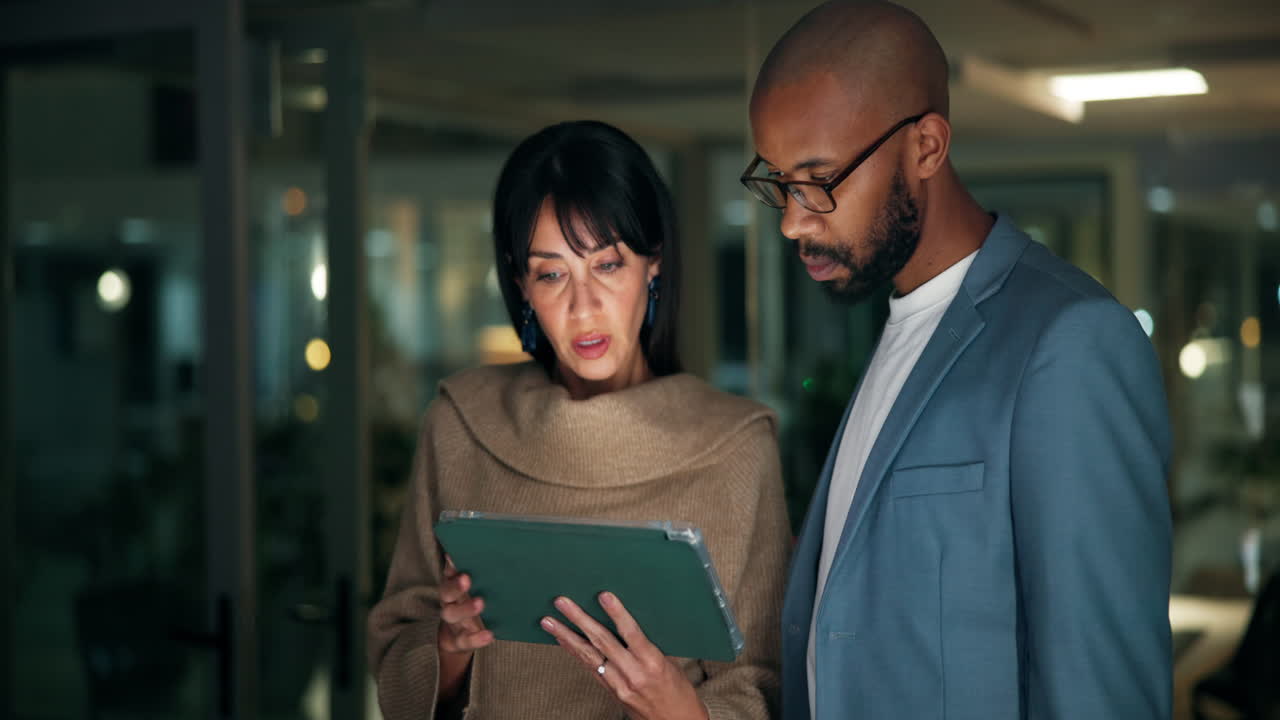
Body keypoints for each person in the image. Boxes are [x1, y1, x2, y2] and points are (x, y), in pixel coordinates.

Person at [741, 2, 1174, 719]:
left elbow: (1103, 693)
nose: (792, 218)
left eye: (819, 179)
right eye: (779, 182)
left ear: (928, 147)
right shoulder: (900, 327)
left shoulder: (1070, 342)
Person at [368, 120, 790, 720]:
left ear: (653, 264)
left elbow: (764, 686)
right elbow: (395, 655)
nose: (583, 305)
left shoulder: (737, 446)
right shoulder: (459, 424)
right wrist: (448, 646)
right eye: (552, 273)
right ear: (521, 287)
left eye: (608, 265)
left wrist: (676, 707)